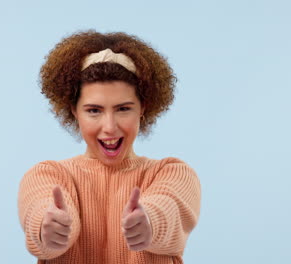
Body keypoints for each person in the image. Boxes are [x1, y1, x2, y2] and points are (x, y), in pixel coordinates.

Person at [17, 30, 201, 264]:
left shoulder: (172, 173)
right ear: (74, 110)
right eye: (94, 110)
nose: (110, 127)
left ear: (142, 108)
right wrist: (49, 229)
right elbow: (40, 207)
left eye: (123, 109)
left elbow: (169, 207)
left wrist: (150, 222)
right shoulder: (47, 174)